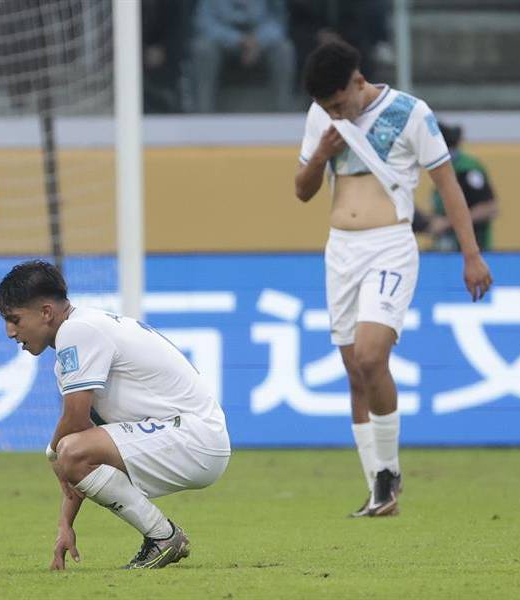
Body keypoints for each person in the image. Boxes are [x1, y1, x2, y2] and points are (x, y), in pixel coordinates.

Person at [294, 41, 492, 517]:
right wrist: (321, 152)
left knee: (370, 356)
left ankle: (389, 471)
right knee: (354, 374)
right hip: (340, 249)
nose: (335, 112)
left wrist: (471, 255)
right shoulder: (321, 117)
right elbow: (302, 192)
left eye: (340, 103)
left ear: (358, 82)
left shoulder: (409, 113)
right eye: (327, 107)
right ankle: (380, 493)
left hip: (389, 246)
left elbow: (447, 185)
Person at [0, 261, 231, 570]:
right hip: (190, 436)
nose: (10, 332)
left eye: (14, 319)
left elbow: (74, 430)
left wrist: (52, 454)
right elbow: (84, 446)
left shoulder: (78, 331)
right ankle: (162, 536)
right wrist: (65, 524)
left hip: (192, 436)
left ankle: (162, 537)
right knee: (73, 451)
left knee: (69, 450)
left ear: (46, 313)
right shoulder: (81, 334)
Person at [190, 0, 295, 112]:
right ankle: (203, 111)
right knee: (203, 48)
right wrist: (239, 40)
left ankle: (282, 110)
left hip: (261, 42)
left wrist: (257, 40)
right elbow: (204, 24)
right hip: (223, 42)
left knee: (284, 49)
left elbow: (279, 22)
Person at [428, 122, 500, 251]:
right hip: (447, 248)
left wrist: (447, 223)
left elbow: (489, 207)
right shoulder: (444, 169)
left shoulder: (467, 170)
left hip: (473, 247)